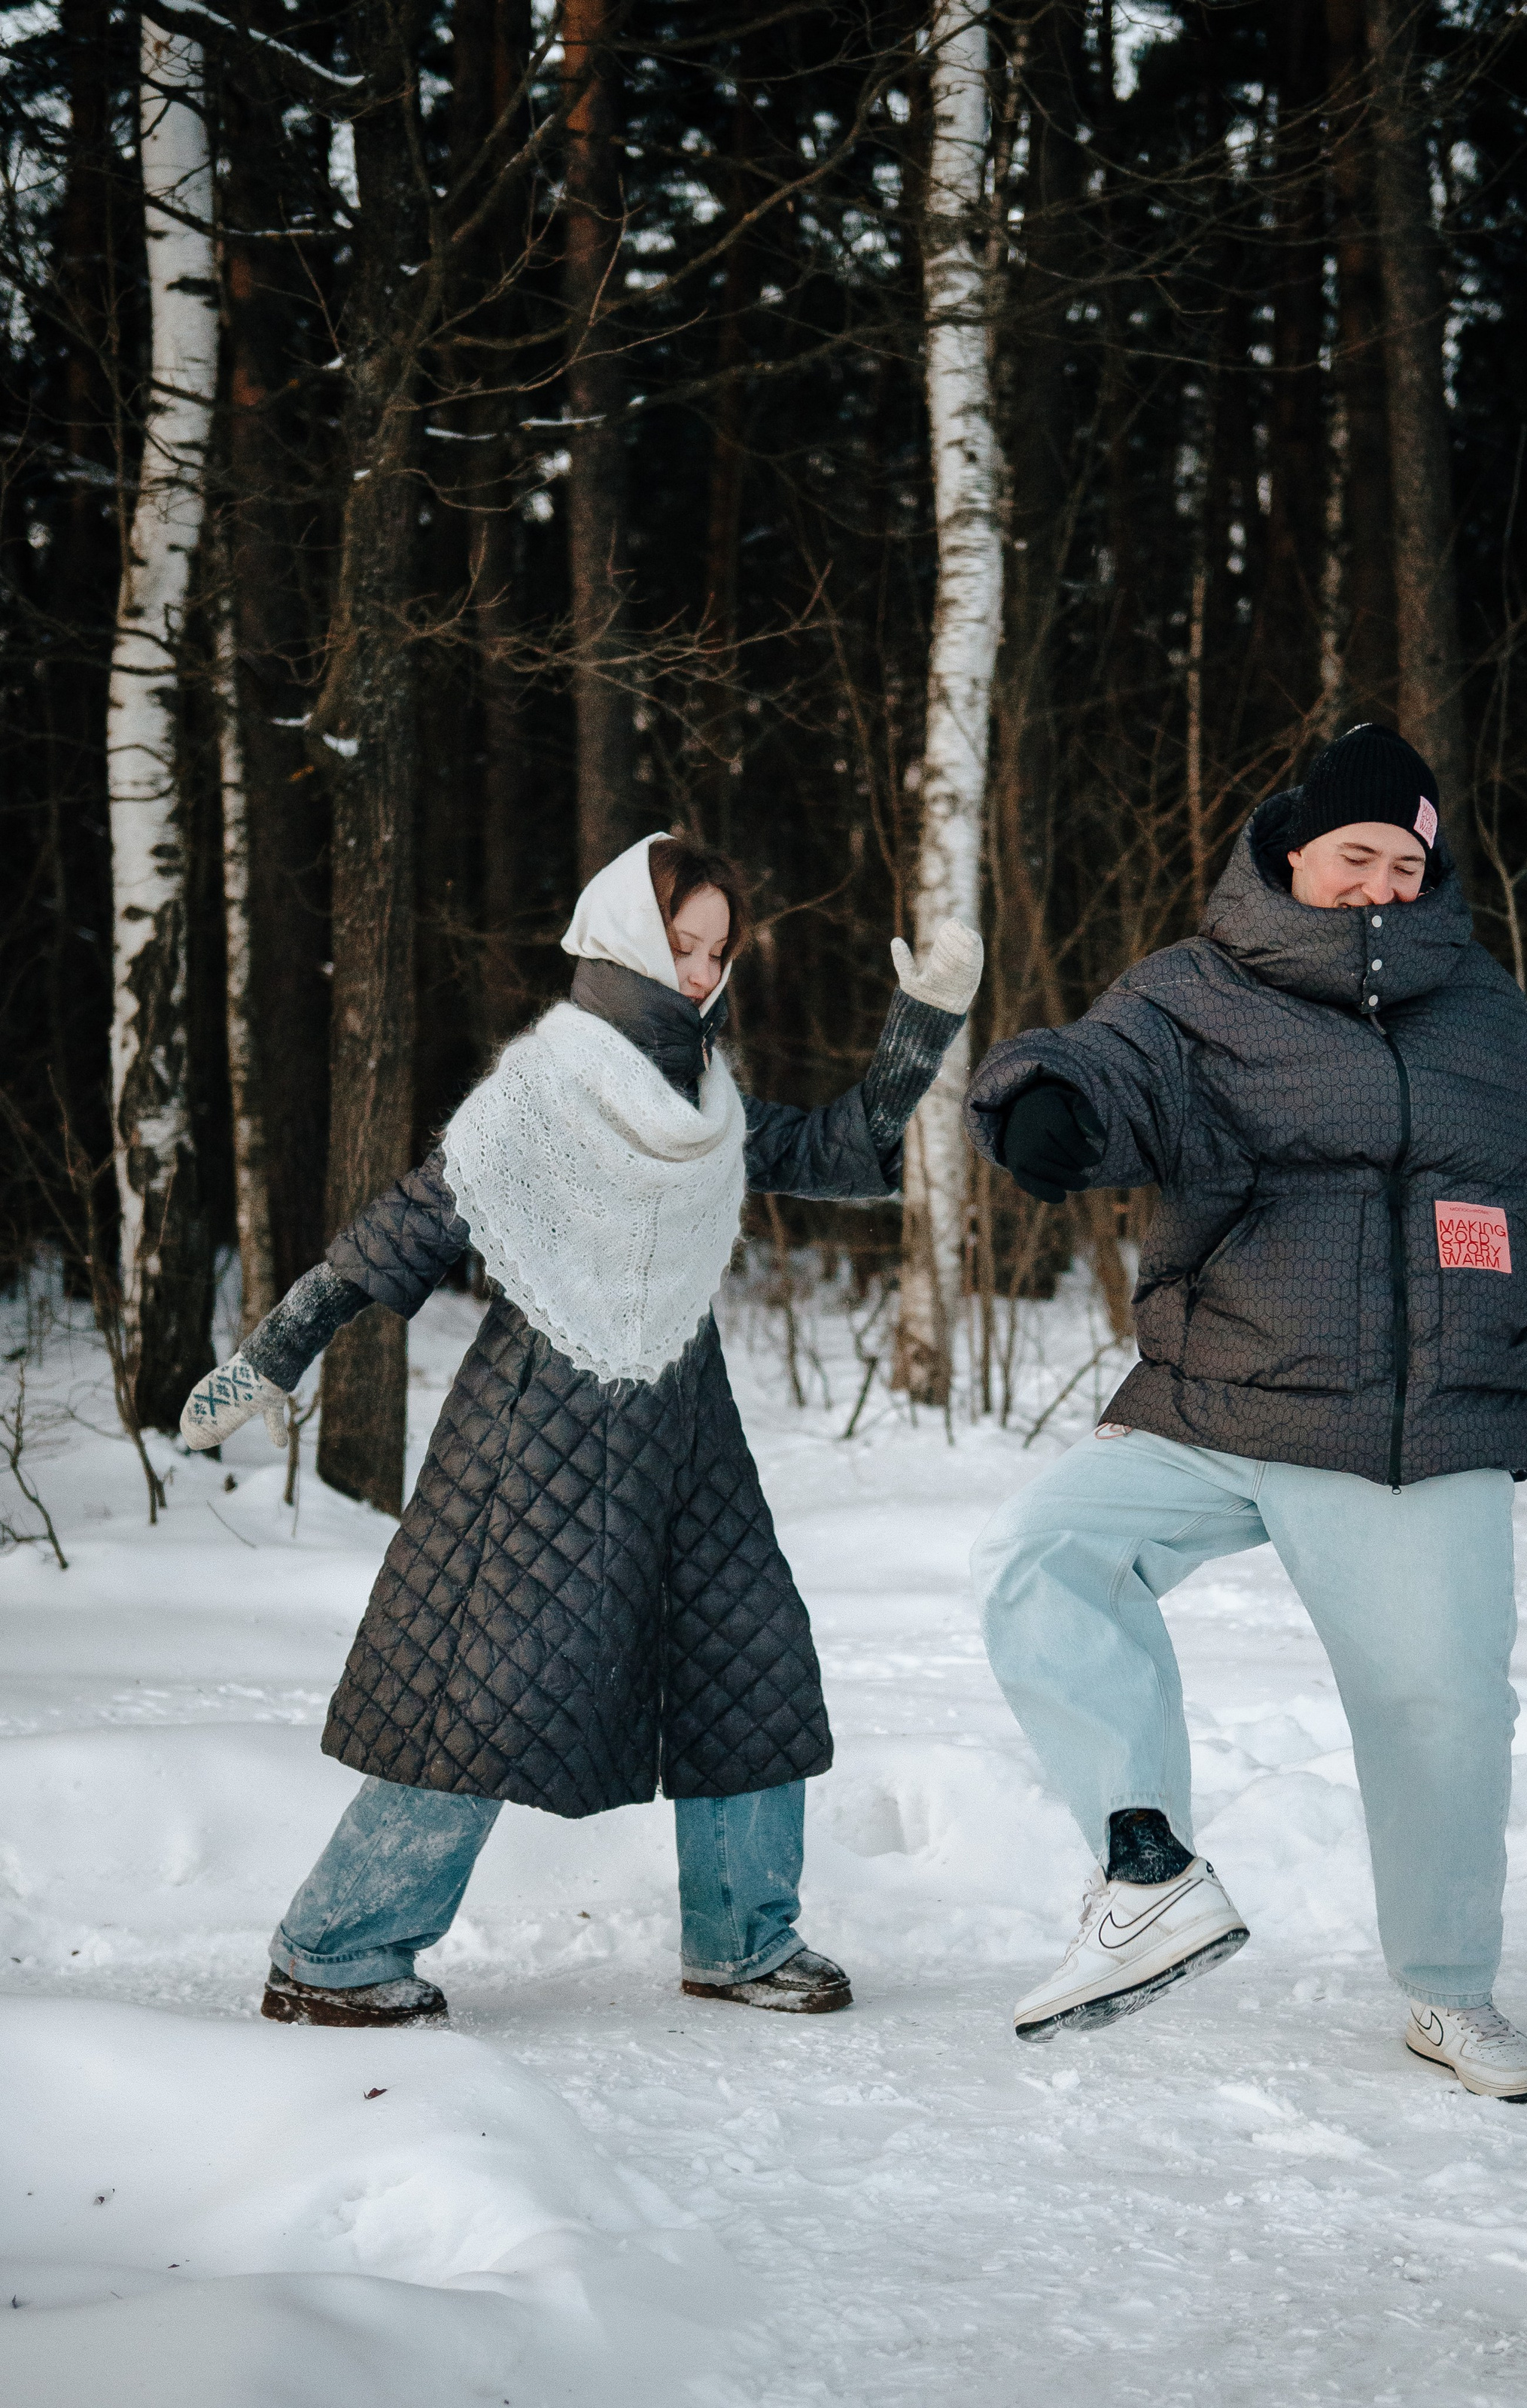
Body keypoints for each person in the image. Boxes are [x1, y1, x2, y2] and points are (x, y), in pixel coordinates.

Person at [965, 723, 1527, 2097]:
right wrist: (1038, 1101)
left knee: (1440, 1708)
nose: (1384, 884)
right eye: (1357, 856)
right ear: (1293, 852)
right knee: (1048, 1555)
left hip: (1424, 1422)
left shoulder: (1483, 1020)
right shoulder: (1195, 995)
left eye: (1408, 860)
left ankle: (1450, 1994)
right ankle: (1146, 1867)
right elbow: (1102, 1066)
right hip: (1220, 1396)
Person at [183, 834, 981, 2030]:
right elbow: (409, 1222)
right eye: (683, 946)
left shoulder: (704, 1104)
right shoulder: (541, 1096)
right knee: (482, 1690)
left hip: (686, 1423)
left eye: (719, 952)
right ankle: (334, 1951)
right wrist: (276, 1350)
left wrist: (919, 1030)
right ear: (618, 941)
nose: (703, 973)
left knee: (751, 1666)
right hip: (539, 1424)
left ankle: (744, 1941)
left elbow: (840, 1151)